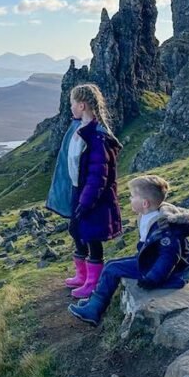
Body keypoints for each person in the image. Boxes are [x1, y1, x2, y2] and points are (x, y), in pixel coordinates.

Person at [68, 174, 189, 326]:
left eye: (132, 196)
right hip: (150, 260)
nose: (129, 199)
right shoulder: (148, 215)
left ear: (145, 203)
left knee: (112, 269)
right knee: (111, 264)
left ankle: (94, 310)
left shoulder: (164, 229)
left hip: (169, 273)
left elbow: (169, 257)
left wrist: (152, 278)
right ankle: (94, 301)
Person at [45, 83, 123, 299]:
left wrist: (86, 202)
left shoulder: (98, 136)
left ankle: (93, 282)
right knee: (76, 231)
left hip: (93, 197)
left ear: (81, 105)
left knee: (91, 236)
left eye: (72, 104)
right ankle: (82, 275)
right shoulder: (77, 128)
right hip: (77, 191)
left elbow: (98, 175)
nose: (70, 108)